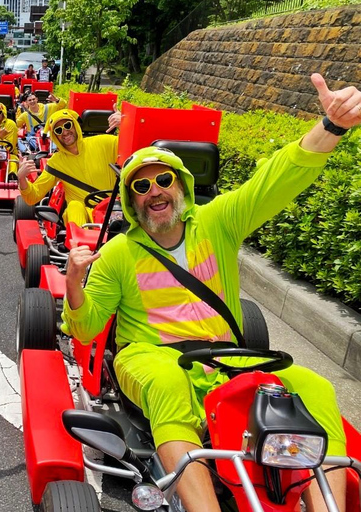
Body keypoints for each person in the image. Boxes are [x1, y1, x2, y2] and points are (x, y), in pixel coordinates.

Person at [62, 73, 361, 512]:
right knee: (167, 382)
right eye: (140, 187)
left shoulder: (219, 221)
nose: (154, 192)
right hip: (150, 355)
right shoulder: (117, 254)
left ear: (181, 185)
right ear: (131, 201)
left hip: (225, 356)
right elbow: (85, 328)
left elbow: (274, 181)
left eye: (163, 180)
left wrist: (330, 126)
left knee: (312, 385)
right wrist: (72, 283)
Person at [17, 108, 120, 227]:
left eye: (67, 125)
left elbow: (140, 150)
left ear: (75, 125)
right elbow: (33, 197)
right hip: (82, 215)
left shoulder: (106, 142)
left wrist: (125, 124)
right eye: (58, 130)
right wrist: (21, 178)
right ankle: (81, 243)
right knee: (74, 206)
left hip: (113, 210)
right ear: (55, 136)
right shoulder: (56, 162)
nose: (64, 132)